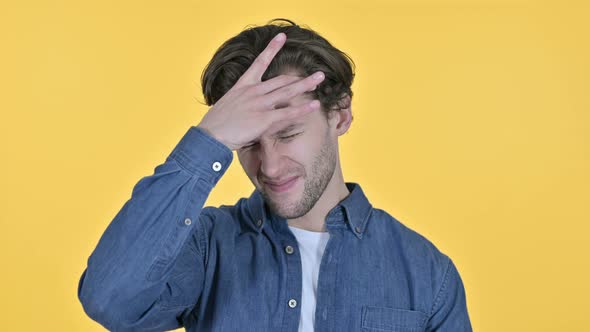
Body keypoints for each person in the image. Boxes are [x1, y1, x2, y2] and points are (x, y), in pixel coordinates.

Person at [77, 18, 473, 332]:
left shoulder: (426, 273)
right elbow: (111, 301)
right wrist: (209, 140)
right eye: (247, 143)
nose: (269, 166)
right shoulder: (207, 247)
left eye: (288, 134)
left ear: (340, 115)